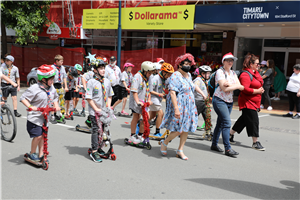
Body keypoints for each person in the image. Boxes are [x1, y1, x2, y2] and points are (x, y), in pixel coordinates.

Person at [159, 53, 206, 160]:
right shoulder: (175, 76)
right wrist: (176, 109)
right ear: (179, 65)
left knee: (186, 129)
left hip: (189, 105)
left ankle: (180, 150)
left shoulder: (188, 75)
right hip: (179, 105)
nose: (188, 66)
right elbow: (172, 93)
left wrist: (203, 94)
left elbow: (193, 86)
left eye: (189, 64)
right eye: (185, 64)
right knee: (178, 129)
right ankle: (165, 142)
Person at [20, 65, 60, 161]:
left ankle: (41, 154)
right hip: (35, 117)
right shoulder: (35, 88)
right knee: (37, 136)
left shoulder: (51, 88)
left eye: (52, 79)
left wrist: (56, 105)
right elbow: (23, 98)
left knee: (43, 136)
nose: (52, 81)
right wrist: (30, 106)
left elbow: (55, 97)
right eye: (50, 79)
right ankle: (32, 153)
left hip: (45, 117)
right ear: (43, 79)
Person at [210, 52, 244, 157]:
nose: (230, 62)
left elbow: (241, 86)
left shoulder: (233, 73)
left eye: (231, 60)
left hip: (229, 101)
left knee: (220, 123)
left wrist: (231, 84)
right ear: (223, 61)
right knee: (227, 123)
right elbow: (224, 89)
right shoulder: (220, 72)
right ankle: (228, 148)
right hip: (219, 100)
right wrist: (235, 86)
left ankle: (214, 144)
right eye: (228, 60)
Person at [229, 54, 265, 151]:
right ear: (250, 64)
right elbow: (244, 89)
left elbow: (259, 82)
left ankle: (230, 134)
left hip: (254, 101)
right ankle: (255, 142)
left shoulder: (255, 73)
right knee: (253, 121)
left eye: (259, 64)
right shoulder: (245, 74)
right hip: (247, 102)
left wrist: (259, 89)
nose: (259, 65)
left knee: (244, 120)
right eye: (257, 64)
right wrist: (257, 91)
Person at [86, 59, 114, 162]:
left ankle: (99, 147)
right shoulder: (91, 82)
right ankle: (94, 151)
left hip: (104, 111)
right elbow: (89, 98)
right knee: (96, 129)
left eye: (104, 68)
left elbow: (110, 96)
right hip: (94, 112)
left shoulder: (106, 81)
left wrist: (108, 107)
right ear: (95, 70)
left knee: (103, 130)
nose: (103, 70)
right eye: (101, 68)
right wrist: (96, 109)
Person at [128, 61, 155, 144]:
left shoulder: (149, 77)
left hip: (145, 101)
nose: (150, 74)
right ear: (144, 70)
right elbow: (134, 91)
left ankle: (140, 135)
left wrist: (149, 100)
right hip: (136, 101)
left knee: (145, 118)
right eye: (149, 72)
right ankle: (132, 135)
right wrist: (137, 101)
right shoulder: (137, 77)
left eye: (151, 72)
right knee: (136, 117)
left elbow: (149, 91)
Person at [149, 62, 174, 137]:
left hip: (158, 99)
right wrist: (159, 94)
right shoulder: (155, 78)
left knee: (151, 116)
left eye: (170, 74)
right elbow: (150, 90)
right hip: (153, 98)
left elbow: (167, 87)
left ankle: (140, 124)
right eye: (168, 74)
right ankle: (157, 132)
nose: (169, 76)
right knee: (160, 113)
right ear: (163, 72)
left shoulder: (166, 78)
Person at [193, 65, 213, 138]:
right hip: (198, 102)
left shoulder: (204, 80)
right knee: (193, 117)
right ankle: (182, 131)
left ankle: (208, 131)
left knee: (207, 117)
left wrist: (208, 97)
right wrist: (203, 95)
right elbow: (196, 86)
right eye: (207, 73)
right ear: (202, 73)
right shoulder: (198, 80)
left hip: (204, 102)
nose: (209, 75)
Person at [51, 55, 68, 122]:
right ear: (57, 61)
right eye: (61, 61)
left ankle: (61, 114)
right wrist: (52, 87)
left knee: (61, 100)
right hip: (54, 85)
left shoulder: (62, 68)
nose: (62, 62)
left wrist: (65, 86)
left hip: (60, 85)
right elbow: (51, 77)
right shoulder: (52, 67)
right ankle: (53, 115)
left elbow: (64, 77)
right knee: (54, 101)